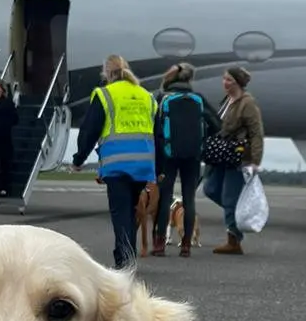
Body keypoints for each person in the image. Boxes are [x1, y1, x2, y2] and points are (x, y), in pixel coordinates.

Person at [72, 54, 157, 269]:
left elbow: (90, 130)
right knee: (130, 212)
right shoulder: (146, 96)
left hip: (117, 164)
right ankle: (128, 256)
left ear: (107, 73)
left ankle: (125, 261)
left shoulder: (105, 94)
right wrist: (160, 167)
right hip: (143, 165)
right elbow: (158, 133)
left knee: (121, 214)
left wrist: (79, 159)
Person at [150, 62, 219, 258]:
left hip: (167, 154)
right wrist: (202, 140)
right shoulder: (198, 99)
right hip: (193, 155)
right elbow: (217, 125)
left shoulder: (162, 98)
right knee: (189, 199)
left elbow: (154, 128)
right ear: (190, 79)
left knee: (165, 198)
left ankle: (159, 244)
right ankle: (186, 245)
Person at [203, 65, 264, 255]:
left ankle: (234, 240)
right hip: (222, 154)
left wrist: (255, 161)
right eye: (224, 79)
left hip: (238, 156)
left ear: (237, 83)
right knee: (210, 189)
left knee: (229, 197)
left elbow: (256, 133)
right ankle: (238, 212)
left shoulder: (247, 104)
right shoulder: (227, 100)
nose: (225, 83)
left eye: (229, 80)